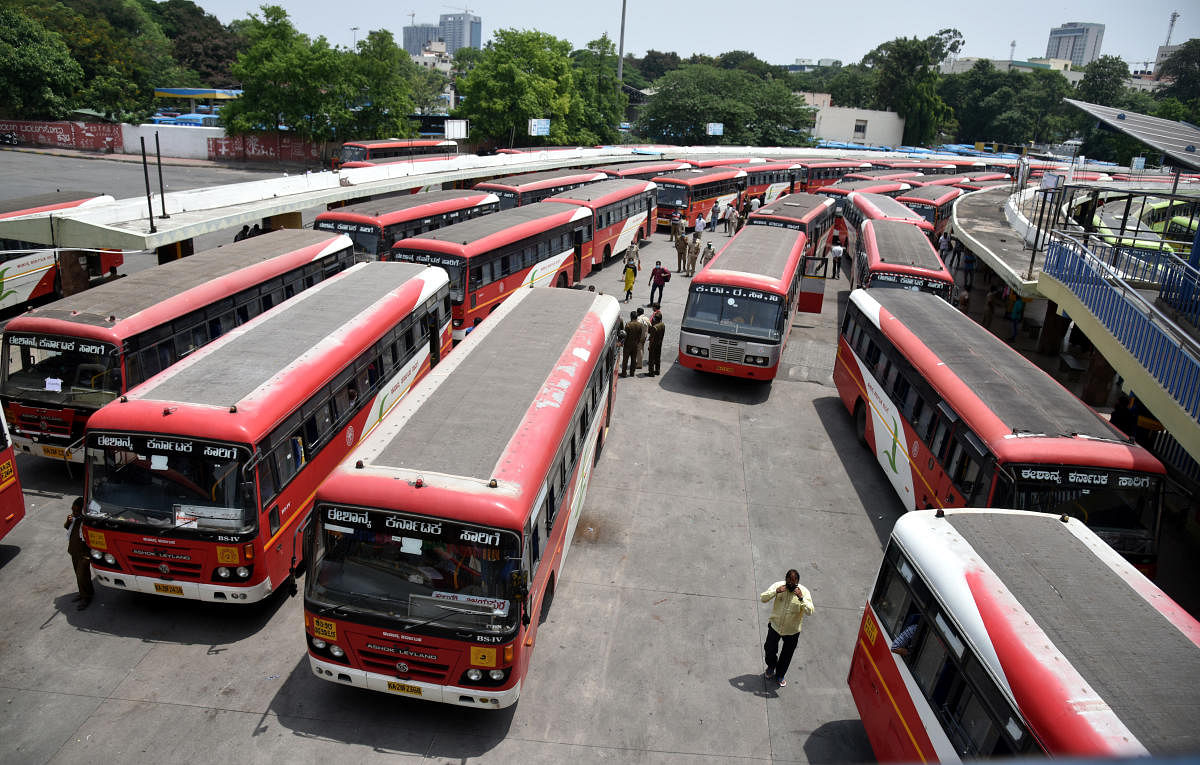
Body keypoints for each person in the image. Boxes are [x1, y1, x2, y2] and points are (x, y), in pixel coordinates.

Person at [760, 569, 814, 687]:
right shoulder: (778, 586)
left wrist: (801, 598)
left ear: (798, 582)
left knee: (787, 655)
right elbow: (763, 598)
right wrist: (775, 592)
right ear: (785, 579)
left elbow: (810, 611)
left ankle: (780, 674)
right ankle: (771, 666)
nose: (790, 584)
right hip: (775, 626)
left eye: (793, 582)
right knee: (769, 648)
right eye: (788, 581)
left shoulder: (804, 592)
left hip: (792, 631)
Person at [65, 497, 93, 610]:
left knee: (81, 575)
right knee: (79, 574)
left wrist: (88, 556)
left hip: (84, 554)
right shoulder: (74, 519)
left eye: (76, 511)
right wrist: (68, 521)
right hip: (74, 551)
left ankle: (86, 597)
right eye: (72, 510)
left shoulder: (86, 521)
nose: (73, 513)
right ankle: (84, 592)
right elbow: (67, 527)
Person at [620, 311, 643, 377]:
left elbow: (625, 336)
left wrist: (622, 343)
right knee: (633, 359)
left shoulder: (628, 325)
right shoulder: (640, 325)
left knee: (625, 360)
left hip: (628, 345)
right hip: (635, 345)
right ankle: (632, 373)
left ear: (631, 317)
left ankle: (624, 373)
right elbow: (640, 335)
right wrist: (637, 342)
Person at [647, 310, 666, 376]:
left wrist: (649, 346)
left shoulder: (654, 327)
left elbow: (651, 338)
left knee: (651, 358)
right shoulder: (663, 324)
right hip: (659, 343)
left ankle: (651, 372)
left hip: (654, 344)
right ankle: (657, 370)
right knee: (658, 357)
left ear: (655, 319)